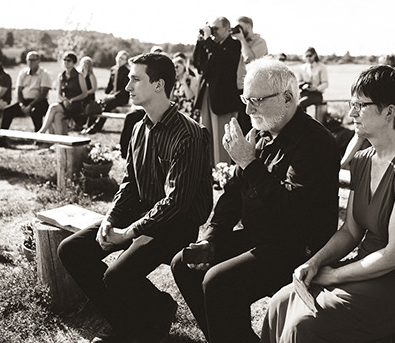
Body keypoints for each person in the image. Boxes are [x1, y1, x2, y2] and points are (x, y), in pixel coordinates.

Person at [261, 64, 395, 343]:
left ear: (389, 112)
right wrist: (315, 262)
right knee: (279, 303)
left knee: (304, 325)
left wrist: (335, 276)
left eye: (360, 105)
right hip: (367, 269)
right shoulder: (362, 160)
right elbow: (351, 231)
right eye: (351, 103)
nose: (351, 113)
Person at [171, 58, 339, 343]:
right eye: (246, 99)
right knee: (184, 264)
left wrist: (249, 162)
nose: (248, 109)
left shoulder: (315, 142)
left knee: (218, 282)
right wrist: (211, 239)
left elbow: (293, 210)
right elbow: (234, 193)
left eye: (257, 101)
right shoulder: (260, 133)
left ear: (287, 98)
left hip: (298, 247)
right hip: (261, 237)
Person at [57, 53, 213, 343]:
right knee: (72, 250)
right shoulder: (138, 127)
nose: (127, 86)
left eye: (135, 79)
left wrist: (128, 233)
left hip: (177, 223)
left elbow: (176, 203)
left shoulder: (190, 134)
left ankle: (135, 329)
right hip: (142, 212)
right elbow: (129, 182)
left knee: (117, 275)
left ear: (159, 85)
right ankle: (148, 313)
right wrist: (110, 220)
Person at [193, 16, 243, 165]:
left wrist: (208, 41)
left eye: (216, 29)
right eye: (211, 29)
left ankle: (224, 170)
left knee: (222, 136)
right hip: (208, 95)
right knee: (207, 134)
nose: (213, 32)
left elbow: (225, 60)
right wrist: (200, 42)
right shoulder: (211, 45)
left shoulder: (234, 44)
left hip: (224, 99)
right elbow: (198, 64)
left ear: (228, 29)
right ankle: (209, 169)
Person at [38, 53, 96, 135]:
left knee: (53, 107)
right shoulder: (61, 76)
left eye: (69, 60)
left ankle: (41, 132)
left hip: (76, 104)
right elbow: (59, 94)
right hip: (65, 104)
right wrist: (64, 100)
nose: (66, 62)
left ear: (74, 63)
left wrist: (72, 100)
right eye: (64, 60)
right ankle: (59, 142)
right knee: (57, 116)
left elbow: (84, 93)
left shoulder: (79, 76)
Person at [0, 51, 52, 131]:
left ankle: (39, 139)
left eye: (33, 60)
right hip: (24, 101)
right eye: (29, 60)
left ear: (38, 61)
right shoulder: (22, 73)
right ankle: (2, 139)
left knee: (36, 112)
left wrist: (30, 106)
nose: (31, 62)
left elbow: (43, 93)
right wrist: (21, 105)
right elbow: (19, 90)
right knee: (7, 111)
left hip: (39, 102)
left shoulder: (44, 74)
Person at [83, 50, 132, 134]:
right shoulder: (113, 69)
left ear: (126, 61)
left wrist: (113, 96)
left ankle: (96, 127)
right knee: (96, 104)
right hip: (111, 96)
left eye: (123, 59)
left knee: (107, 106)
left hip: (122, 97)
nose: (120, 60)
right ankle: (88, 125)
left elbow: (125, 89)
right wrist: (107, 92)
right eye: (119, 57)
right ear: (116, 57)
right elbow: (110, 84)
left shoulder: (127, 72)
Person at [296, 47, 329, 122]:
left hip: (316, 94)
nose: (308, 58)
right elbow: (299, 82)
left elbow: (325, 83)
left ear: (315, 55)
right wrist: (303, 85)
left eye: (310, 55)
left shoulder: (321, 67)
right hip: (304, 92)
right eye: (306, 56)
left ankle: (304, 124)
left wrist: (316, 88)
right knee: (293, 104)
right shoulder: (302, 68)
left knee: (301, 104)